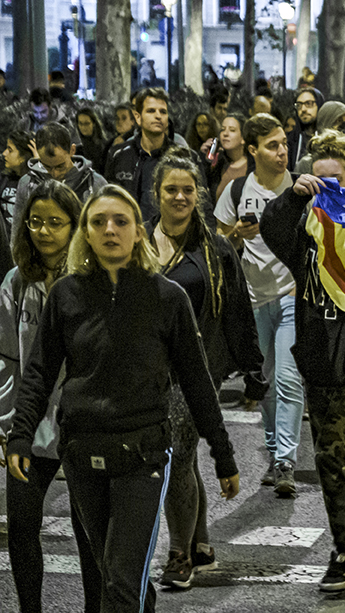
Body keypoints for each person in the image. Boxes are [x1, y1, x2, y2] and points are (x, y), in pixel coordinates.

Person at [6, 184, 239, 613]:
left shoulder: (168, 298)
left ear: (138, 232)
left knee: (120, 582)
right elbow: (38, 372)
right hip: (81, 454)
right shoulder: (65, 295)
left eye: (120, 221)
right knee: (113, 574)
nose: (109, 230)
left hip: (143, 456)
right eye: (99, 222)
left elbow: (197, 382)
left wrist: (223, 454)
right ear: (86, 233)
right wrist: (20, 435)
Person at [261, 131, 345, 592]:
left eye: (335, 180)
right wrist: (294, 196)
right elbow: (271, 229)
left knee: (331, 456)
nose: (327, 187)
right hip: (316, 361)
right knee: (339, 460)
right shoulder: (304, 232)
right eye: (319, 178)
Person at [148, 151, 265, 589]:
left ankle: (178, 556)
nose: (180, 197)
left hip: (197, 370)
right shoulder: (138, 241)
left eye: (187, 190)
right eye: (171, 190)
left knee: (175, 453)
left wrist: (254, 370)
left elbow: (238, 311)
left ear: (198, 195)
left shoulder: (214, 249)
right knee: (185, 455)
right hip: (149, 368)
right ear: (156, 194)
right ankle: (200, 543)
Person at [0, 181, 103, 613]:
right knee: (22, 526)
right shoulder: (15, 281)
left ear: (75, 225)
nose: (43, 231)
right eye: (36, 222)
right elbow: (6, 357)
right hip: (30, 423)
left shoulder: (91, 278)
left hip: (82, 424)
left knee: (91, 535)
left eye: (55, 223)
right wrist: (7, 426)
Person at [215, 113, 304, 495]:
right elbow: (219, 248)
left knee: (288, 378)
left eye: (284, 143)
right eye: (272, 145)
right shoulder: (236, 191)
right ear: (252, 150)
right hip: (252, 300)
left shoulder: (301, 187)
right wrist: (238, 234)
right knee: (263, 384)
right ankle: (273, 453)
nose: (282, 152)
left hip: (290, 295)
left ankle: (286, 459)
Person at [104, 87, 175, 222]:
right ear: (138, 117)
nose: (158, 116)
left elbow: (201, 205)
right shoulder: (118, 154)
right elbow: (109, 199)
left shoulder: (181, 157)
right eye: (151, 111)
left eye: (163, 112)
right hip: (128, 234)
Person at [15, 122, 107, 215]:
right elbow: (19, 227)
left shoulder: (96, 182)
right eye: (47, 166)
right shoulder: (27, 183)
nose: (55, 174)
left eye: (60, 166)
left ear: (72, 150)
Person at [209, 113, 250, 200]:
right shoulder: (218, 164)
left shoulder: (252, 166)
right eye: (223, 129)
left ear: (243, 138)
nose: (225, 134)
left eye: (232, 130)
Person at [1, 129, 35, 229]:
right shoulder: (4, 180)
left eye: (10, 150)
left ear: (23, 157)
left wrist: (37, 163)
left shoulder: (34, 182)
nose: (4, 153)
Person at [287, 87, 323, 171]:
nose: (303, 109)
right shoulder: (290, 140)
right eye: (299, 105)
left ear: (319, 105)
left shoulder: (328, 138)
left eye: (309, 104)